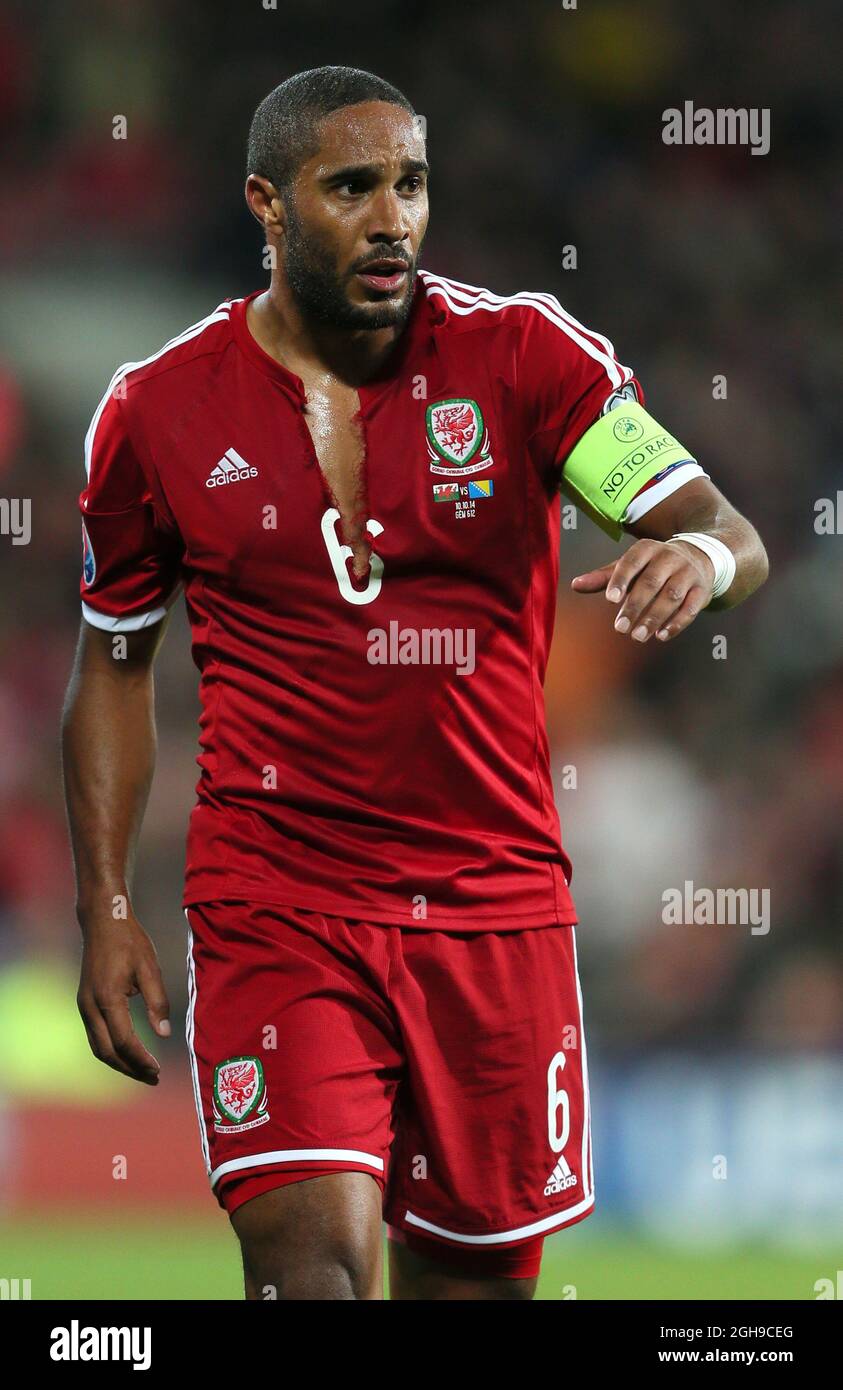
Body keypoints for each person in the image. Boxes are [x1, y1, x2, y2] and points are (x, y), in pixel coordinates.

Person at [61, 65, 768, 1301]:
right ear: (266, 205)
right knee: (311, 1276)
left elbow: (727, 526)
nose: (393, 218)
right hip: (275, 901)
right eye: (352, 188)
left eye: (412, 184)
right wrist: (107, 903)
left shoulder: (528, 358)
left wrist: (695, 556)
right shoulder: (156, 412)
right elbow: (115, 663)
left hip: (496, 912)